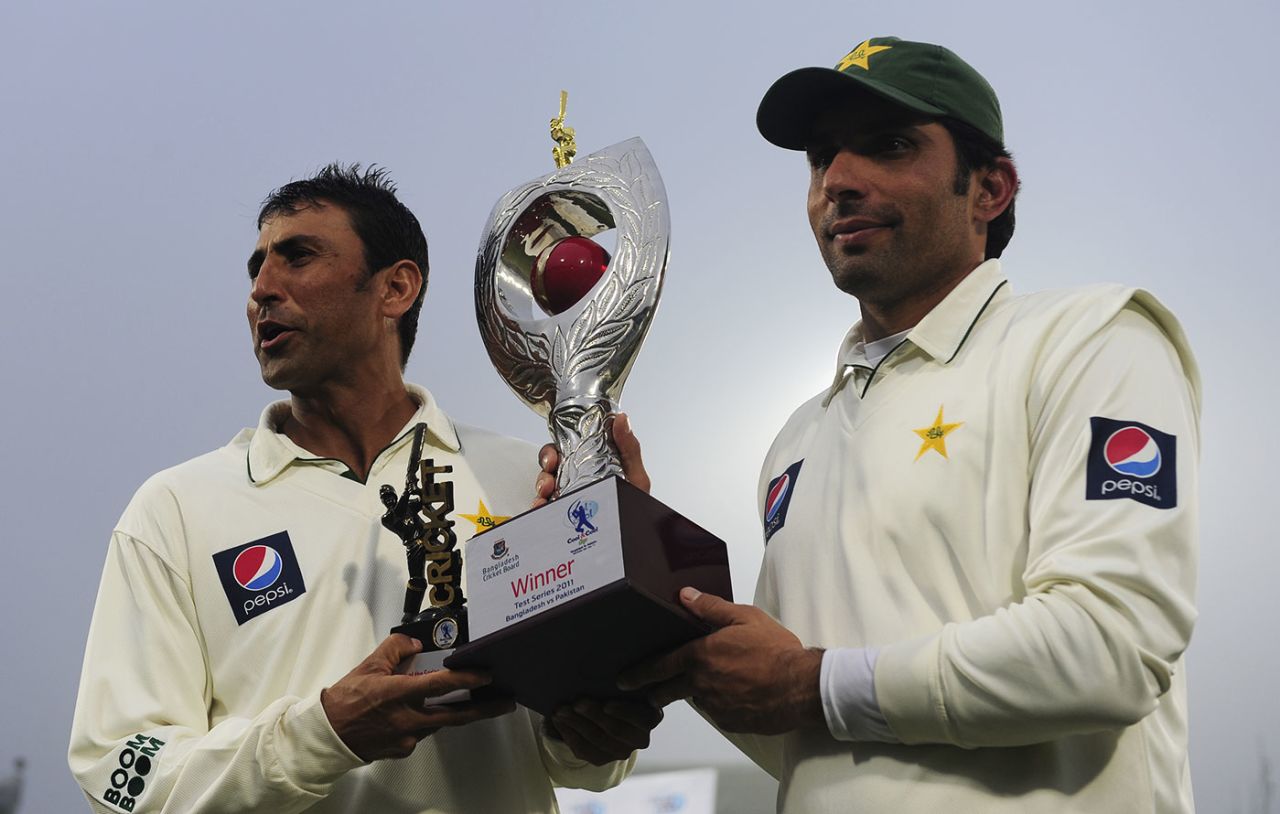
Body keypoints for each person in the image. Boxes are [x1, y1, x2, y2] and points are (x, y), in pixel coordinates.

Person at [540, 36, 1200, 813]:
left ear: (990, 188)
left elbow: (1109, 647)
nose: (840, 182)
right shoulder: (799, 437)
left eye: (889, 146)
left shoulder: (1089, 338)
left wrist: (813, 681)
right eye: (822, 158)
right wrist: (637, 559)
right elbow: (796, 733)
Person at [69, 164, 660, 813]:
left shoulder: (527, 478)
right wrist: (324, 735)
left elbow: (584, 763)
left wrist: (594, 723)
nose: (262, 290)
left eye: (297, 257)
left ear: (395, 288)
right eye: (256, 268)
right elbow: (118, 772)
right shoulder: (176, 509)